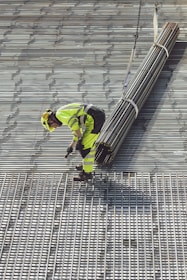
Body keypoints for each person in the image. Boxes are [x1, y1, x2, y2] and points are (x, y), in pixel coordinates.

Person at [41, 103, 105, 180]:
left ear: (51, 120)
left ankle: (86, 174)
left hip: (94, 118)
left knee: (85, 147)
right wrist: (72, 145)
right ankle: (86, 165)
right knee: (88, 145)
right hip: (95, 115)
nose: (55, 127)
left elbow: (74, 124)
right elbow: (76, 128)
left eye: (52, 126)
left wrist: (80, 139)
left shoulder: (59, 115)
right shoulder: (61, 113)